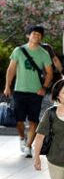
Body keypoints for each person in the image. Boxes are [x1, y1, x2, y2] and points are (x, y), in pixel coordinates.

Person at [3, 25, 53, 157]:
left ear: (41, 37)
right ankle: (21, 138)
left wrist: (44, 88)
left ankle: (29, 146)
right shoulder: (18, 51)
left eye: (39, 34)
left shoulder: (43, 53)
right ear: (28, 35)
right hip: (19, 90)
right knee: (18, 120)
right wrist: (7, 86)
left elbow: (49, 73)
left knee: (33, 120)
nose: (36, 36)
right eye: (34, 33)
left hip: (36, 93)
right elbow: (11, 69)